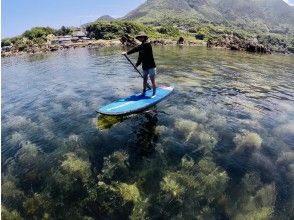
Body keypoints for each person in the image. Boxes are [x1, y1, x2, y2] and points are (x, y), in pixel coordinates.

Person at [122, 32, 157, 97]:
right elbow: (140, 58)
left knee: (152, 80)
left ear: (144, 37)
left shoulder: (147, 45)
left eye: (141, 37)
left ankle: (154, 93)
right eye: (139, 37)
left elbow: (137, 48)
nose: (140, 38)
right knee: (144, 80)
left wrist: (127, 52)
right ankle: (144, 92)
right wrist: (137, 65)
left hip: (151, 66)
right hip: (145, 66)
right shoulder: (142, 47)